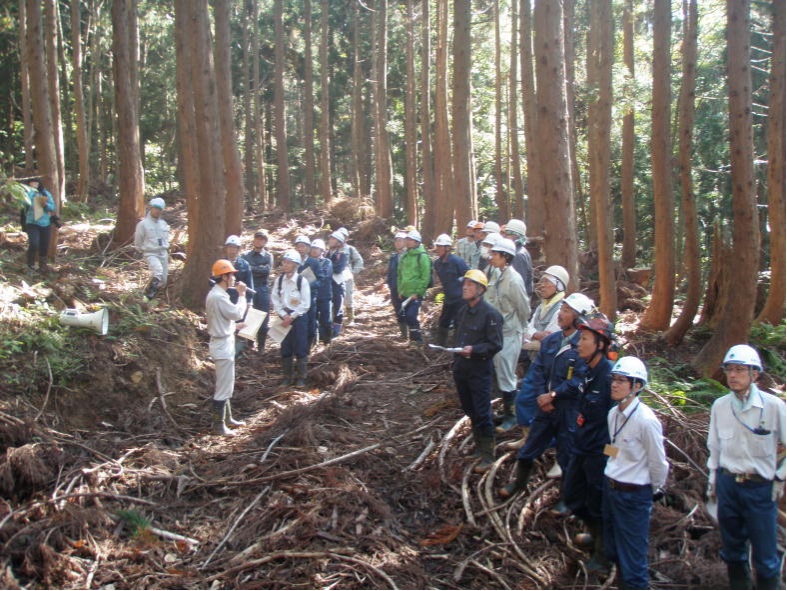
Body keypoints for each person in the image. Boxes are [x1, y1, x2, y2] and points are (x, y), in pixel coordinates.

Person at [498, 292, 595, 504]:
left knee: (567, 456)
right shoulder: (552, 340)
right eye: (561, 309)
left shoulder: (584, 345)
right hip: (546, 407)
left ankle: (566, 499)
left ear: (579, 318)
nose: (560, 314)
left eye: (566, 311)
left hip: (568, 410)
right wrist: (543, 395)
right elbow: (540, 370)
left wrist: (553, 396)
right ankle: (519, 483)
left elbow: (580, 379)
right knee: (529, 447)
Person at [706, 345, 785, 590]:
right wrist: (713, 482)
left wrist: (780, 478)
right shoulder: (720, 406)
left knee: (765, 555)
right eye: (729, 369)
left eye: (740, 370)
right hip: (729, 484)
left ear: (755, 374)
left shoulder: (772, 406)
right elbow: (715, 448)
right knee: (732, 550)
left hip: (760, 488)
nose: (733, 375)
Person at [603, 356, 669, 590]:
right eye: (614, 379)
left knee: (633, 564)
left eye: (622, 381)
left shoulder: (646, 420)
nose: (614, 385)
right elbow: (614, 449)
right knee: (612, 550)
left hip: (634, 496)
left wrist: (653, 489)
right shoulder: (613, 415)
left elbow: (658, 462)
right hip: (610, 490)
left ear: (636, 386)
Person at [563, 313, 616, 572]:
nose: (579, 343)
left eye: (584, 338)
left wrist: (610, 455)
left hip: (600, 453)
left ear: (601, 345)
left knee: (598, 502)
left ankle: (603, 553)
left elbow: (619, 425)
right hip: (580, 446)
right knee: (572, 496)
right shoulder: (585, 371)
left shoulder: (610, 378)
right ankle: (595, 533)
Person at [452, 270, 504, 473]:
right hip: (461, 369)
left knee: (483, 412)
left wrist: (475, 350)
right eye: (464, 283)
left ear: (481, 290)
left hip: (479, 370)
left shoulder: (491, 314)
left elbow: (495, 344)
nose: (465, 287)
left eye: (470, 285)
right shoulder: (463, 311)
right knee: (470, 410)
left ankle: (488, 454)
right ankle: (479, 447)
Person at [485, 238, 530, 434]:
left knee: (506, 373)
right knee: (499, 372)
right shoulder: (495, 274)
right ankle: (506, 411)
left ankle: (512, 417)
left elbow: (524, 309)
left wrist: (519, 332)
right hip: (496, 332)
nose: (491, 257)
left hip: (510, 332)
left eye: (495, 254)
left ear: (505, 257)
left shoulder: (514, 279)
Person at [205, 259, 250, 436]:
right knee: (223, 386)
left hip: (224, 340)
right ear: (223, 276)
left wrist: (233, 327)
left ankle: (228, 418)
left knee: (227, 382)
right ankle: (218, 425)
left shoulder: (217, 294)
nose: (233, 278)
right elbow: (237, 313)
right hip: (221, 344)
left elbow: (224, 319)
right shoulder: (219, 296)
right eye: (231, 275)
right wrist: (242, 295)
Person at [271, 249, 312, 387]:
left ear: (295, 265)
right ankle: (287, 377)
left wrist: (292, 316)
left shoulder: (302, 281)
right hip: (283, 316)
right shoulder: (279, 280)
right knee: (285, 347)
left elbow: (306, 303)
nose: (285, 265)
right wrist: (283, 314)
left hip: (298, 317)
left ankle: (301, 377)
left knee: (300, 346)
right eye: (284, 262)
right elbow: (275, 298)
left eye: (289, 263)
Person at [522, 265, 569, 359]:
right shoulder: (541, 307)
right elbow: (526, 329)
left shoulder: (561, 310)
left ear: (558, 286)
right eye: (542, 281)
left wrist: (529, 338)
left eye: (547, 281)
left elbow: (548, 339)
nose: (542, 285)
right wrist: (536, 334)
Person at [432, 234, 470, 346]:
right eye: (437, 246)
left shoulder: (458, 262)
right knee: (444, 320)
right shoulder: (437, 264)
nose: (438, 249)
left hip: (460, 299)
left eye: (440, 247)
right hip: (448, 298)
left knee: (459, 323)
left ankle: (458, 346)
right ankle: (441, 344)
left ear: (447, 248)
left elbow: (469, 275)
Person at [397, 229, 432, 345]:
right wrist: (400, 290)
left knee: (411, 316)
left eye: (410, 240)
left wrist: (418, 292)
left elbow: (425, 276)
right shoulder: (405, 256)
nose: (407, 242)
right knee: (407, 317)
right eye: (407, 239)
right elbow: (400, 274)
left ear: (417, 242)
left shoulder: (422, 256)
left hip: (415, 294)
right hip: (405, 293)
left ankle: (417, 340)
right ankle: (413, 340)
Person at [242, 230, 272, 352]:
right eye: (257, 238)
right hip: (249, 288)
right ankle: (249, 344)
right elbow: (245, 270)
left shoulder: (268, 256)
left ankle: (261, 346)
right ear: (253, 240)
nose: (259, 241)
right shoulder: (245, 255)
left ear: (265, 241)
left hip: (263, 289)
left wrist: (252, 268)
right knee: (248, 316)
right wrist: (256, 268)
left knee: (264, 318)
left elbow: (266, 271)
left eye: (262, 239)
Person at [134, 196, 170, 300]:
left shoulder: (163, 224)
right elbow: (138, 241)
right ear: (151, 208)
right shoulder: (143, 224)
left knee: (163, 280)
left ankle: (156, 297)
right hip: (151, 253)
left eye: (160, 209)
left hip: (163, 253)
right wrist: (142, 250)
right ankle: (148, 297)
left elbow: (166, 239)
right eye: (156, 208)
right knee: (157, 271)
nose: (157, 211)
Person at [294, 235, 322, 349]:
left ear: (308, 248)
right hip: (295, 298)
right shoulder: (292, 262)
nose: (300, 249)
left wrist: (307, 286)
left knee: (310, 324)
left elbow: (320, 280)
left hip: (310, 298)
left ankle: (308, 347)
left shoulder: (313, 263)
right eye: (298, 246)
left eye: (303, 246)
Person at [336, 227, 364, 324]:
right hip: (335, 276)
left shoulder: (350, 249)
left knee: (348, 296)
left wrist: (353, 272)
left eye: (344, 236)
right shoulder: (332, 249)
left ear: (347, 238)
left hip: (347, 276)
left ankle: (350, 318)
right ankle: (335, 318)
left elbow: (359, 261)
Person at [309, 239, 334, 345]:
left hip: (324, 295)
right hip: (311, 295)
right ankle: (314, 341)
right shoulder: (307, 262)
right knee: (312, 320)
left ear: (322, 251)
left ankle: (327, 341)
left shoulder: (327, 262)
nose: (314, 251)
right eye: (313, 248)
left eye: (316, 249)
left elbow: (323, 276)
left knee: (326, 320)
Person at [502, 219, 534, 297]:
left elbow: (518, 284)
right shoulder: (516, 252)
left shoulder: (518, 255)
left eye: (507, 234)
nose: (504, 237)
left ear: (515, 236)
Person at [327, 231, 348, 337]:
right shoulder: (325, 254)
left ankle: (336, 332)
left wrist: (327, 268)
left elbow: (339, 268)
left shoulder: (342, 255)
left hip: (337, 284)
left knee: (337, 307)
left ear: (339, 242)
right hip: (327, 284)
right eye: (330, 238)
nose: (331, 241)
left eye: (333, 239)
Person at [387, 231, 408, 339]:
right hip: (395, 287)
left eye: (400, 241)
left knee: (408, 311)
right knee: (398, 310)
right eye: (396, 241)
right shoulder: (393, 257)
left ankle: (412, 334)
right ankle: (404, 334)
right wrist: (390, 284)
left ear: (405, 242)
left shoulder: (409, 256)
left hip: (406, 288)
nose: (398, 243)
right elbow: (390, 272)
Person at [223, 235, 254, 305]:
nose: (232, 250)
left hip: (238, 299)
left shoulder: (245, 265)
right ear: (226, 248)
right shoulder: (221, 263)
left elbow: (249, 284)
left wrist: (249, 301)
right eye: (230, 247)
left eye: (234, 247)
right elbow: (213, 281)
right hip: (223, 298)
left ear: (238, 249)